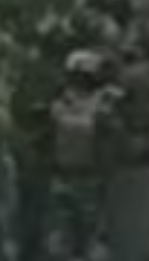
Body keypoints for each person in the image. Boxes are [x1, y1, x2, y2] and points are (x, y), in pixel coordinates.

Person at [47, 49, 120, 261]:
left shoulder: (58, 105)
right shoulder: (104, 104)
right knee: (92, 240)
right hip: (90, 179)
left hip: (63, 177)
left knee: (64, 241)